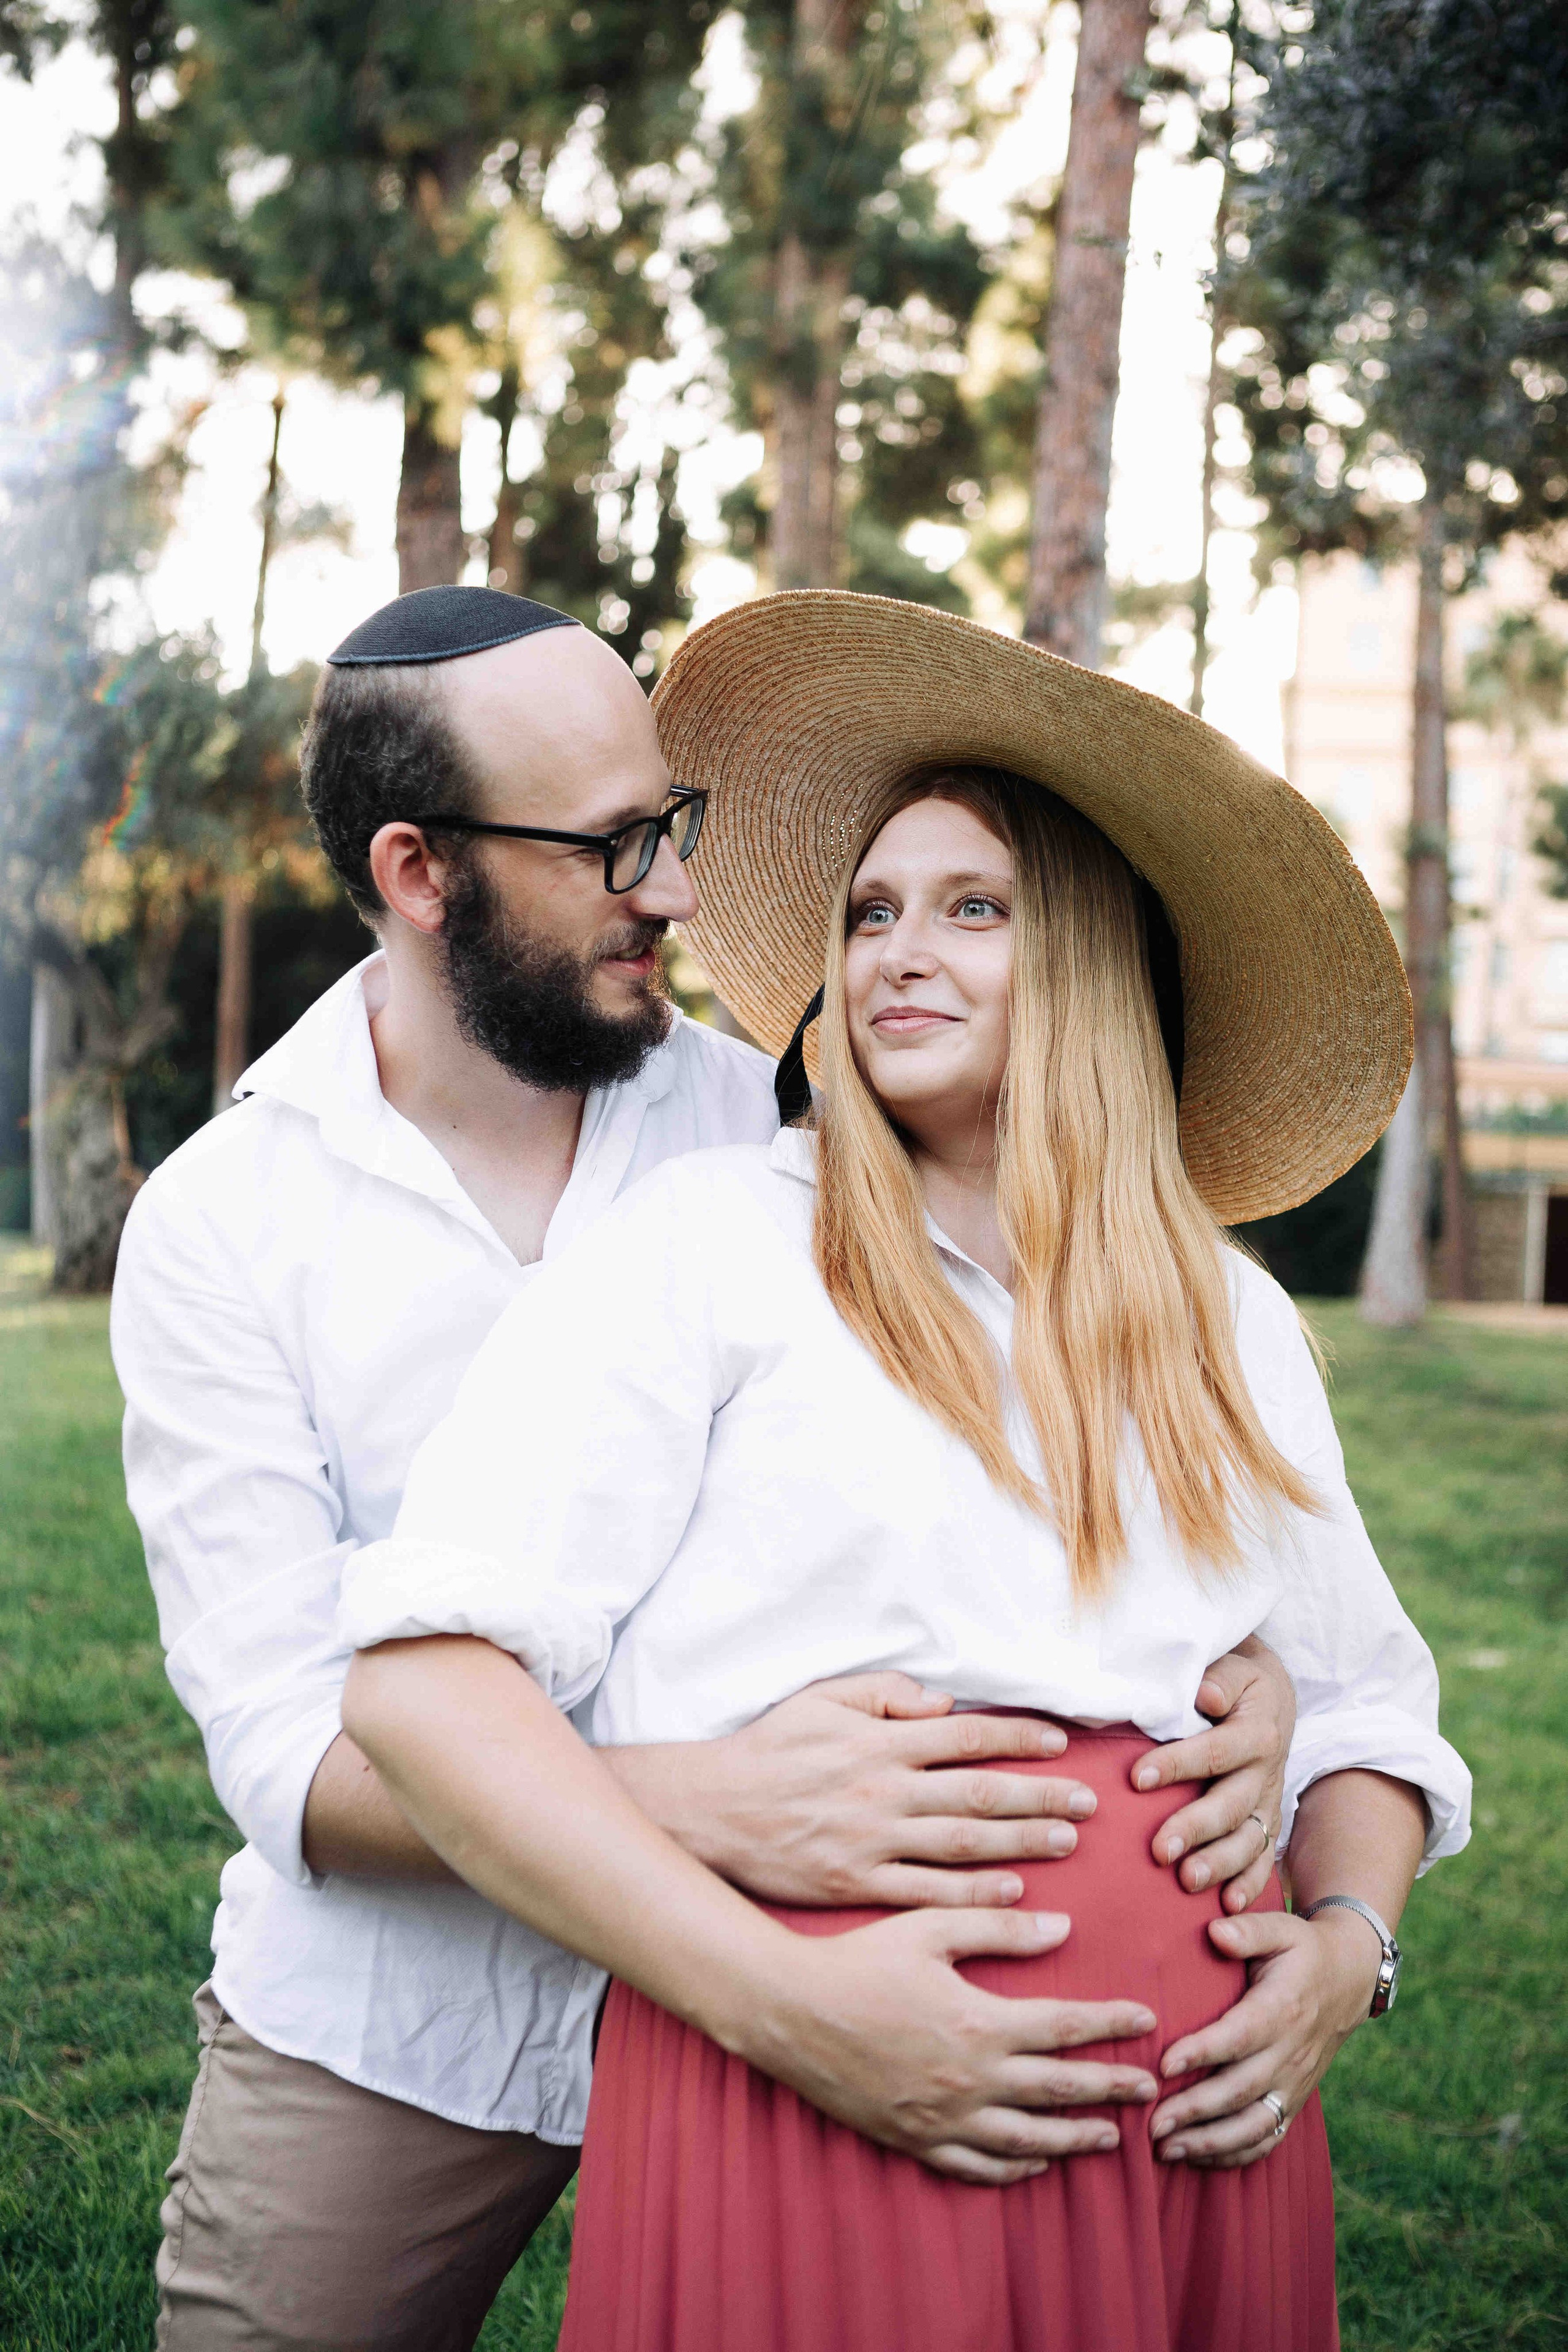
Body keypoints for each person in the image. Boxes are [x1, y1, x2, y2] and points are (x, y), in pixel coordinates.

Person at [111, 586, 1297, 2352]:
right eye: (611, 848)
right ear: (421, 871)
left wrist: (1248, 1666)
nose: (673, 892)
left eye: (671, 827)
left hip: (855, 1971)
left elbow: (1035, 1423)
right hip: (409, 2019)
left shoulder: (782, 1126)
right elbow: (294, 1749)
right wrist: (706, 1801)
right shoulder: (226, 1224)